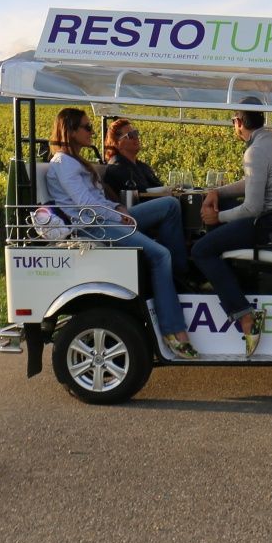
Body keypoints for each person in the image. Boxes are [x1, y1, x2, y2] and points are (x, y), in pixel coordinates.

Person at [46, 107, 199, 359]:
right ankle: (173, 331)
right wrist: (120, 216)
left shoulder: (75, 161)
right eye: (87, 127)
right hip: (94, 227)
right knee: (160, 255)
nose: (92, 132)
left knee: (171, 206)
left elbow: (96, 201)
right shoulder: (63, 164)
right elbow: (87, 205)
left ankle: (178, 275)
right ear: (70, 131)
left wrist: (118, 208)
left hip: (106, 216)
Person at [192, 104, 272, 356]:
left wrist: (216, 217)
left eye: (233, 120)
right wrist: (217, 193)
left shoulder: (256, 151)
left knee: (201, 250)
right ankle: (224, 280)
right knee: (226, 211)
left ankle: (244, 316)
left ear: (239, 122)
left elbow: (252, 208)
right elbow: (252, 182)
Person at [101, 117, 164, 198]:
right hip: (135, 208)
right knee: (172, 203)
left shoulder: (142, 166)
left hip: (156, 203)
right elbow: (139, 193)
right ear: (117, 143)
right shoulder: (117, 167)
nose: (136, 137)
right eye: (130, 135)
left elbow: (159, 186)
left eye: (136, 133)